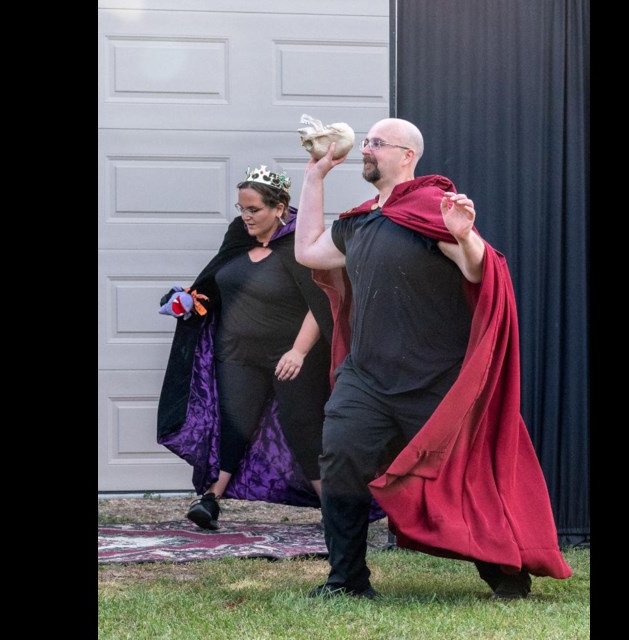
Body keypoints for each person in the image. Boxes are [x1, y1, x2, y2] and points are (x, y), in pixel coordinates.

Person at [294, 118, 573, 599]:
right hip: (367, 378)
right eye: (366, 142)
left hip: (436, 379)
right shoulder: (358, 221)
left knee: (465, 472)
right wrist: (314, 178)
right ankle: (346, 580)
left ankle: (504, 572)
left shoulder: (431, 210)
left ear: (407, 155)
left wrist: (465, 236)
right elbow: (308, 253)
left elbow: (478, 266)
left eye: (377, 144)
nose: (366, 149)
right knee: (340, 458)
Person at [156, 165, 334, 531]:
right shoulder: (239, 236)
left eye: (253, 209)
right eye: (242, 208)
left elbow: (323, 305)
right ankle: (210, 500)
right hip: (237, 353)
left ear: (279, 208)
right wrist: (192, 301)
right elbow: (217, 281)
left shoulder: (301, 243)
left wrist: (298, 352)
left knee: (303, 426)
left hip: (294, 356)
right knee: (234, 423)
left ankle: (335, 508)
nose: (245, 217)